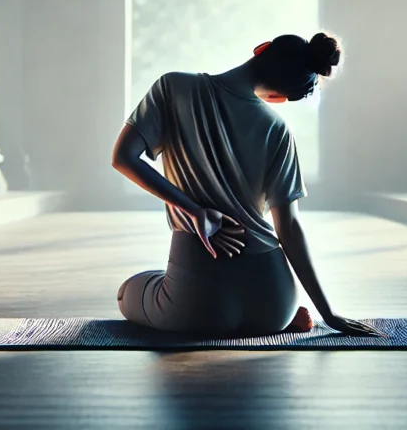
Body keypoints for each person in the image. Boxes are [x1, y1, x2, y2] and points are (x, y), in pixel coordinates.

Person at [113, 32, 382, 338]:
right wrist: (329, 315)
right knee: (246, 303)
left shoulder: (174, 87)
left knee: (127, 292)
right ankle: (286, 316)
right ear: (280, 97)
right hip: (274, 305)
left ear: (262, 49)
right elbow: (289, 229)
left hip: (195, 306)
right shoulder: (278, 129)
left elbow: (123, 158)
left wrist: (194, 210)